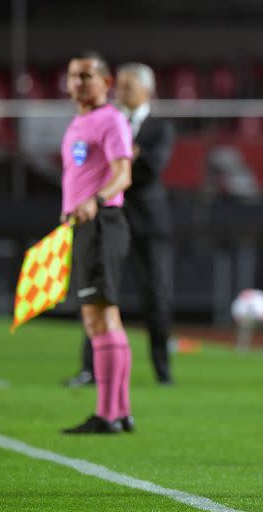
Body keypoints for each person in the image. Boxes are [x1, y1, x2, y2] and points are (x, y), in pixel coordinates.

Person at [64, 62, 176, 387]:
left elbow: (152, 169)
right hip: (111, 220)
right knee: (100, 294)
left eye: (128, 85)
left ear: (147, 89)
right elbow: (90, 164)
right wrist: (128, 156)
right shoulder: (107, 123)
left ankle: (162, 372)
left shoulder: (159, 128)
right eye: (120, 85)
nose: (121, 91)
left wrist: (121, 160)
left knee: (157, 298)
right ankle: (90, 370)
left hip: (149, 224)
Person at [59, 52, 134, 434]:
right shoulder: (81, 122)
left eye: (86, 76)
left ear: (106, 82)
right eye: (73, 76)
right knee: (107, 317)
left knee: (96, 317)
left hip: (102, 223)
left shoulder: (111, 119)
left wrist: (95, 201)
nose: (77, 83)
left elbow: (123, 174)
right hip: (87, 225)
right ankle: (120, 411)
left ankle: (106, 414)